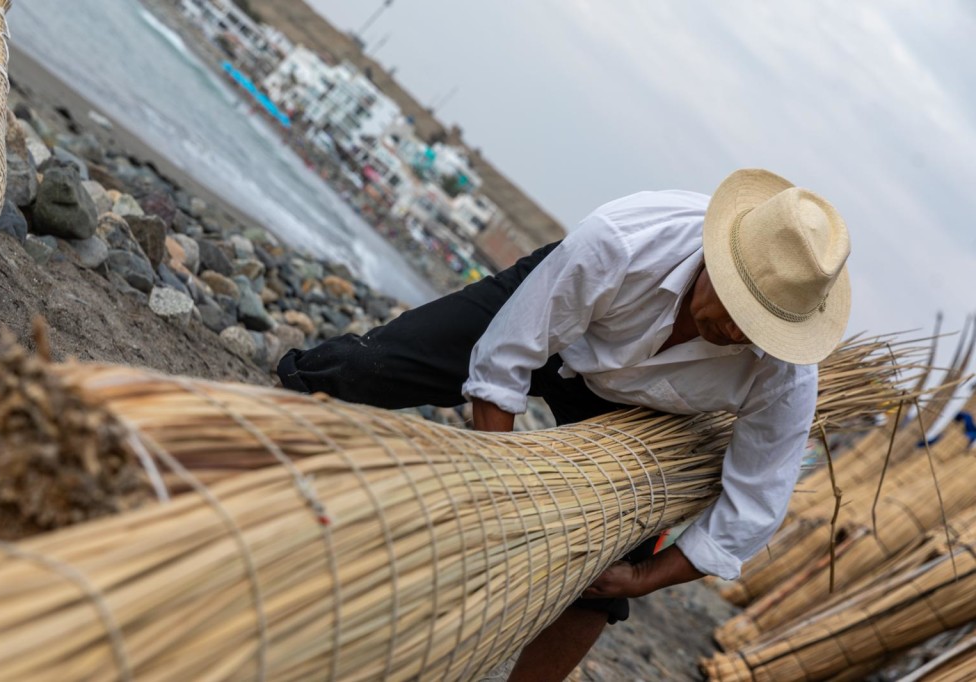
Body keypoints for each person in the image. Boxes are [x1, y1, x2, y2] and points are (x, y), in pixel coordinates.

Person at [277, 168, 851, 680]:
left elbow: (752, 509)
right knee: (368, 366)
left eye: (756, 327)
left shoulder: (785, 374)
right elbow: (506, 358)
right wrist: (492, 497)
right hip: (563, 329)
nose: (734, 332)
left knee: (600, 581)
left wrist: (643, 578)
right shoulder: (622, 241)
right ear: (717, 258)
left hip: (641, 414)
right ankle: (270, 427)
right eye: (733, 308)